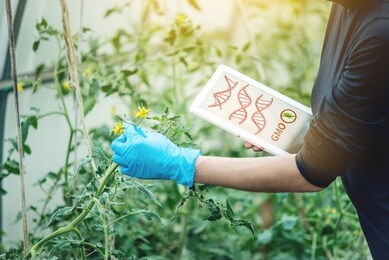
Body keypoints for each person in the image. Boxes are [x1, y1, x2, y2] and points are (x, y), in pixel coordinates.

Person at [111, 0, 389, 258]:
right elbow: (361, 116)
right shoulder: (349, 6)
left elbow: (312, 173)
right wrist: (291, 133)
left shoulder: (380, 30)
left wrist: (181, 163)